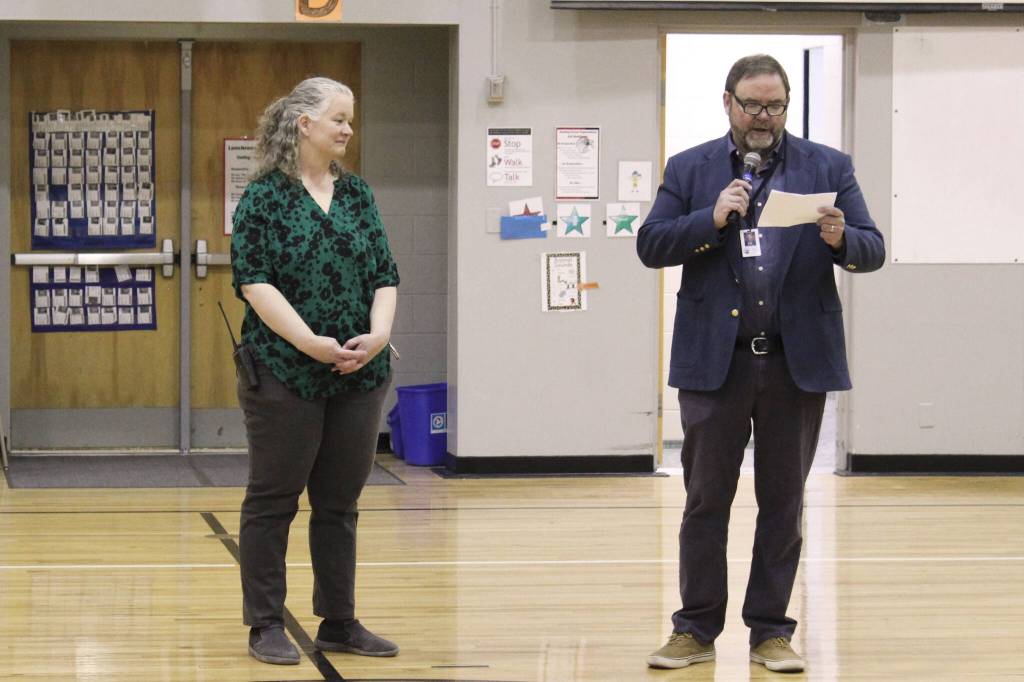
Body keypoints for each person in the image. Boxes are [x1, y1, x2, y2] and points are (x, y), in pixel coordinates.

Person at [637, 55, 884, 673]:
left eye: (774, 105)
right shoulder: (690, 167)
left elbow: (873, 248)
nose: (763, 117)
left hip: (793, 367)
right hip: (714, 367)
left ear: (786, 106)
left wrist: (840, 240)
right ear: (728, 103)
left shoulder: (828, 166)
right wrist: (711, 218)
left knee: (783, 503)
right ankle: (693, 630)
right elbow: (650, 244)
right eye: (751, 104)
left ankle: (770, 631)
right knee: (704, 501)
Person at [230, 76, 400, 666]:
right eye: (340, 119)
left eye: (350, 120)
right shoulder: (263, 198)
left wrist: (378, 336)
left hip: (357, 375)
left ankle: (339, 620)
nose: (349, 130)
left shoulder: (357, 195)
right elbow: (254, 283)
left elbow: (385, 274)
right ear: (305, 125)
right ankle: (266, 624)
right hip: (283, 371)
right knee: (274, 498)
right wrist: (311, 344)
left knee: (339, 502)